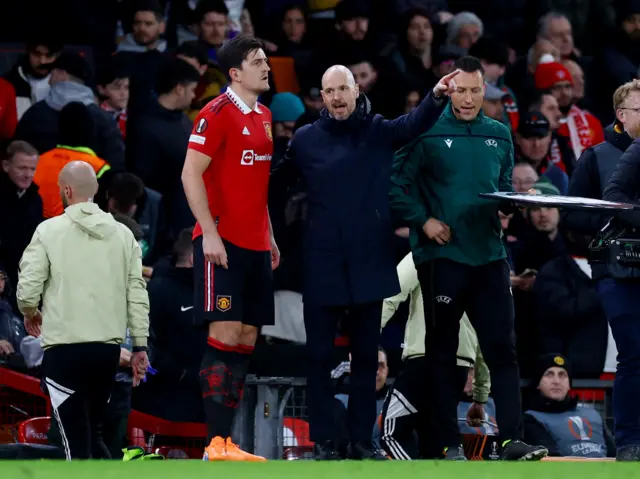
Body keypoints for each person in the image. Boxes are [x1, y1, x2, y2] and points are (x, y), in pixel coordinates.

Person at [269, 63, 459, 460]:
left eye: (343, 88)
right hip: (322, 264)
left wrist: (437, 95)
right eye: (329, 91)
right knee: (318, 358)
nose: (337, 97)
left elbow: (412, 125)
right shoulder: (304, 139)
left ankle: (359, 440)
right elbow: (275, 184)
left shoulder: (377, 129)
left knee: (364, 361)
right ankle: (323, 439)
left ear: (356, 91)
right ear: (321, 98)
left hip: (369, 263)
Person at [388, 55, 548, 461]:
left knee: (503, 351)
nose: (469, 97)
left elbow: (502, 190)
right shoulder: (424, 131)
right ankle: (446, 443)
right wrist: (423, 222)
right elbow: (395, 188)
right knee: (441, 353)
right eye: (461, 89)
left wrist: (518, 202)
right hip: (443, 258)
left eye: (476, 90)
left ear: (485, 92)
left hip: (490, 256)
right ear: (447, 89)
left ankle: (512, 440)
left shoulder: (499, 133)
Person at [181, 35, 277, 462]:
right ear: (235, 72)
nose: (267, 67)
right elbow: (190, 175)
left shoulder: (266, 115)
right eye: (258, 62)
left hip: (256, 240)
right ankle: (214, 444)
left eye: (266, 61)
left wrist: (270, 232)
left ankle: (227, 443)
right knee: (222, 334)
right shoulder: (215, 112)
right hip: (222, 241)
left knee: (245, 337)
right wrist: (209, 233)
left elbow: (258, 184)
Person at [16, 161, 150, 460]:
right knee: (92, 432)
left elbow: (28, 287)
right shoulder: (123, 235)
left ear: (66, 190)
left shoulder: (48, 230)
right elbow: (137, 294)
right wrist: (140, 344)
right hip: (106, 353)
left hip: (64, 350)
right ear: (97, 191)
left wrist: (30, 311)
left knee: (72, 441)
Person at [379, 252, 491, 460]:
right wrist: (480, 397)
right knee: (434, 441)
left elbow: (391, 294)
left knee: (392, 433)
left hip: (424, 360)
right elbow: (487, 333)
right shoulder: (481, 261)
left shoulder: (422, 253)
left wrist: (367, 338)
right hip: (459, 366)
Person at [601, 82, 640, 461]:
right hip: (628, 270)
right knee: (634, 355)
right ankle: (629, 441)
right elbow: (614, 197)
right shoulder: (638, 150)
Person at [523, 354, 615, 458]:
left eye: (562, 375)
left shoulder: (592, 414)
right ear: (538, 383)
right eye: (549, 374)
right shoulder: (531, 418)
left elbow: (614, 453)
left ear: (569, 385)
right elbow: (550, 459)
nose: (556, 381)